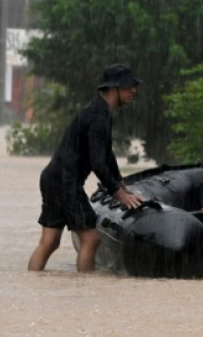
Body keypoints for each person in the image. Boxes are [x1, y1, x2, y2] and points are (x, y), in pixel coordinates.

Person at [28, 64, 145, 272]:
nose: (133, 91)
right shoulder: (98, 116)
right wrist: (118, 194)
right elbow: (97, 162)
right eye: (129, 86)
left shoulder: (99, 111)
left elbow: (107, 154)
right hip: (65, 181)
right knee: (91, 239)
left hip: (52, 177)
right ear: (113, 88)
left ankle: (32, 284)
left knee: (49, 242)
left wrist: (120, 183)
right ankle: (85, 290)